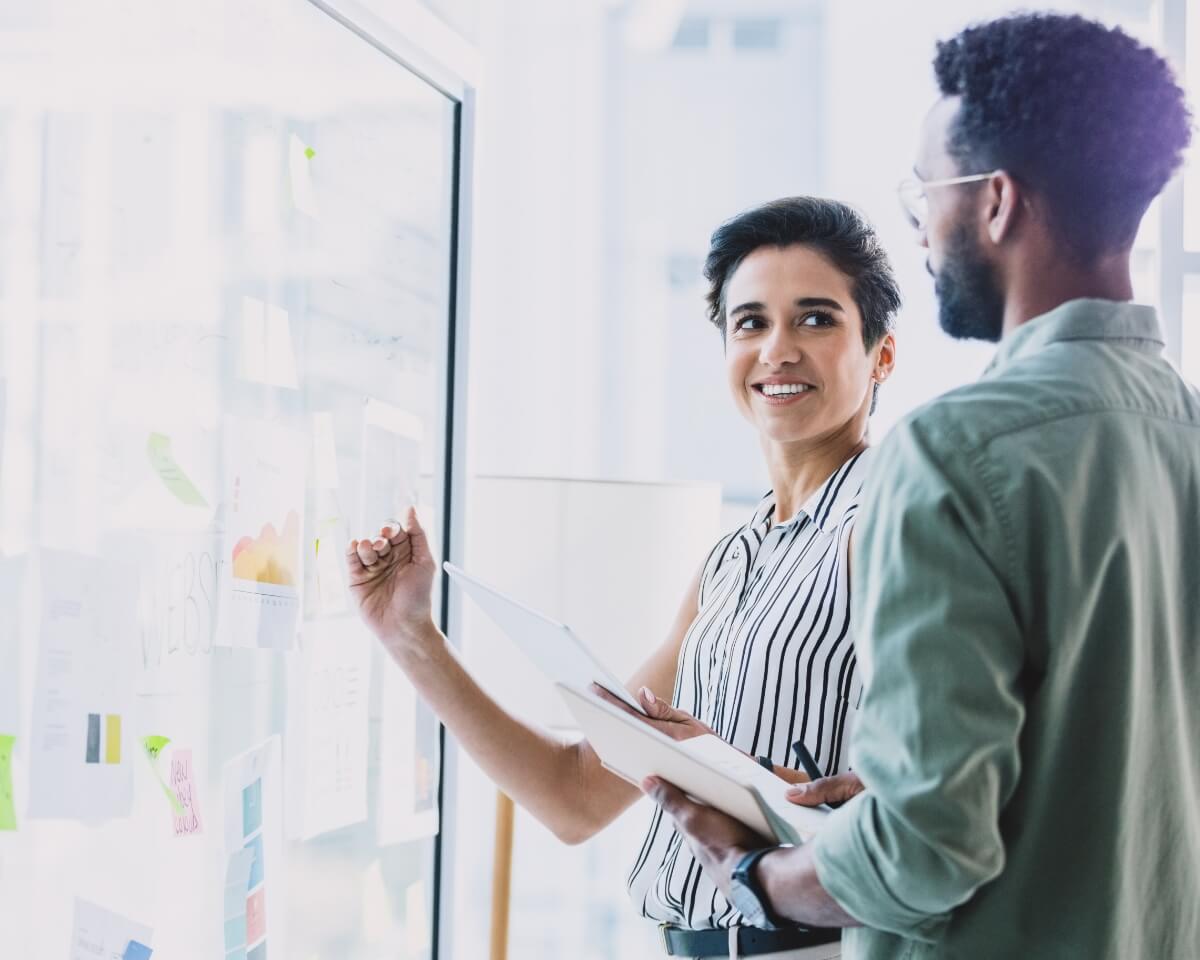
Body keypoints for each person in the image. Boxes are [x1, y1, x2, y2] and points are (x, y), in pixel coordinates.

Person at [644, 12, 1200, 960]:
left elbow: (925, 853)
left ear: (995, 202)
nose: (921, 230)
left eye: (924, 194)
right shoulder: (1181, 432)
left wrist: (757, 876)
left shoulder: (951, 453)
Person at [346, 196, 900, 958]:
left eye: (815, 319)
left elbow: (936, 809)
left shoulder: (895, 524)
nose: (778, 348)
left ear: (882, 355)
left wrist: (727, 771)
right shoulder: (730, 561)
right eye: (750, 322)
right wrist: (410, 635)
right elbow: (573, 795)